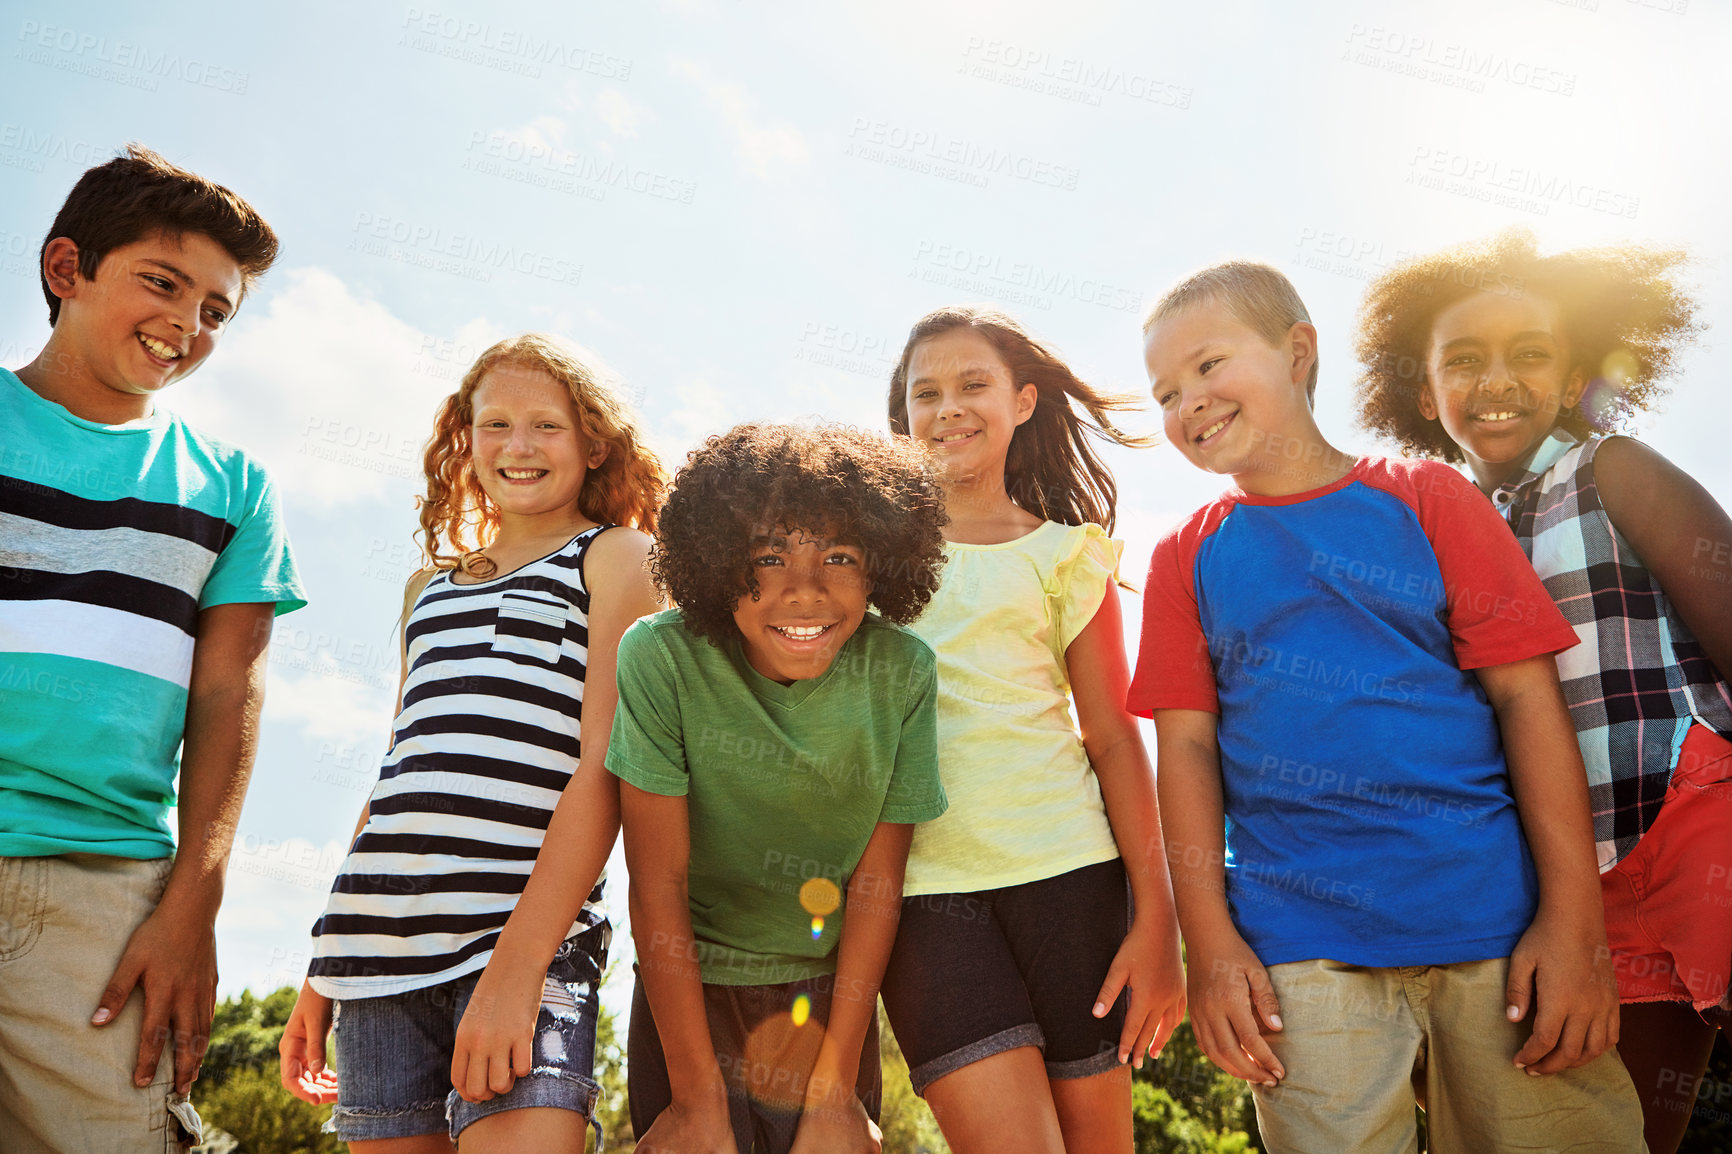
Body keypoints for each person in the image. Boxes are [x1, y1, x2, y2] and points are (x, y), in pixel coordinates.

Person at [1132, 261, 1647, 1153]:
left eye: (1209, 367)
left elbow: (1528, 699)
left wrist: (1574, 924)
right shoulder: (1185, 559)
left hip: (1495, 928)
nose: (1190, 402)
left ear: (1299, 353)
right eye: (1167, 391)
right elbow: (1184, 754)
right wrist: (1208, 944)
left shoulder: (1429, 498)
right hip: (1299, 952)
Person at [1354, 229, 1732, 1153]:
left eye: (1530, 355)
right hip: (1580, 884)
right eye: (1465, 361)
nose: (1498, 380)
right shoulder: (1439, 533)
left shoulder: (1613, 470)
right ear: (1424, 392)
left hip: (1697, 823)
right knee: (1622, 1132)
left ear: (1571, 380)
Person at [277, 334, 663, 1152]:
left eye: (546, 427)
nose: (518, 448)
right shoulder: (427, 588)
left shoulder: (617, 558)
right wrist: (325, 965)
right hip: (375, 950)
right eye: (495, 425)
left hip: (524, 939)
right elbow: (395, 780)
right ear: (465, 437)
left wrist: (519, 969)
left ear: (594, 442)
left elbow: (605, 772)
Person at [0, 144, 305, 1152]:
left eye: (217, 310)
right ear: (66, 269)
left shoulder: (231, 487)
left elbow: (228, 697)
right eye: (164, 283)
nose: (187, 324)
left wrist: (192, 906)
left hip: (101, 894)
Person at [880, 306, 1185, 1154]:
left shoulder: (1065, 554)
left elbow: (1116, 739)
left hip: (1074, 882)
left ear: (1022, 400)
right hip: (921, 896)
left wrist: (1159, 920)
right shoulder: (861, 561)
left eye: (972, 385)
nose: (948, 408)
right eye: (925, 393)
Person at [612, 422, 948, 1154]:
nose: (807, 591)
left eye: (840, 556)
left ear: (884, 565)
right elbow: (656, 881)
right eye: (769, 556)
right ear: (717, 561)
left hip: (831, 1010)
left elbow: (876, 885)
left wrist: (832, 1094)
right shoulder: (659, 657)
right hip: (686, 1003)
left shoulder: (904, 673)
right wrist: (699, 1099)